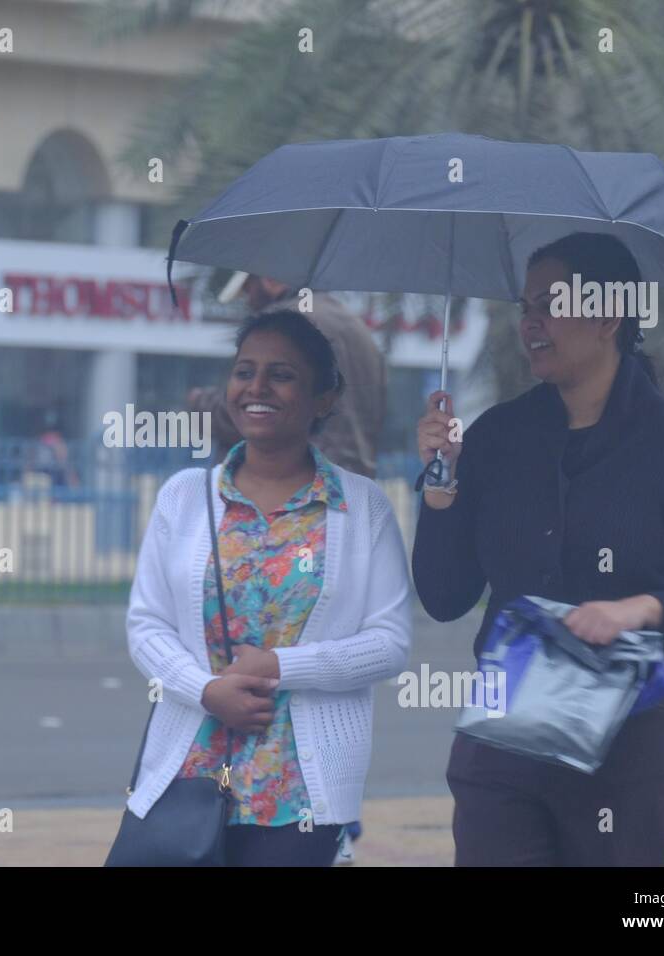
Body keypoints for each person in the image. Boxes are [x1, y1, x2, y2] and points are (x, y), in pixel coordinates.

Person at [413, 232, 664, 866]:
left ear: (609, 313)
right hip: (508, 717)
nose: (531, 321)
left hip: (627, 725)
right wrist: (440, 489)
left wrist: (642, 608)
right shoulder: (496, 437)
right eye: (525, 306)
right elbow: (442, 597)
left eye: (550, 302)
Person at [125, 309, 413, 866]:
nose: (256, 388)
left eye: (280, 374)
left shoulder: (362, 507)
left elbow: (390, 643)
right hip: (185, 779)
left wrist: (278, 667)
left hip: (302, 795)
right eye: (244, 371)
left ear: (323, 397)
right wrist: (205, 689)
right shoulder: (185, 497)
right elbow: (147, 625)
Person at [188, 273, 386, 480]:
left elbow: (251, 409)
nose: (248, 301)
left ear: (271, 280)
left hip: (297, 483)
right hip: (350, 482)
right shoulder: (357, 327)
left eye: (248, 289)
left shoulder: (283, 323)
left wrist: (201, 403)